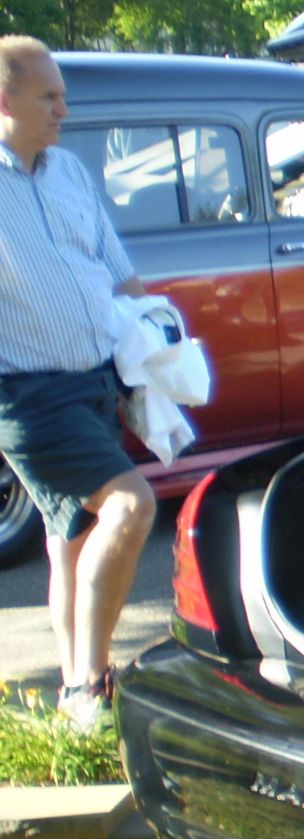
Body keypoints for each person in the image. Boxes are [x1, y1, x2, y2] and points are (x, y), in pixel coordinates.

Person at [0, 36, 155, 725]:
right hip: (27, 395)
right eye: (50, 97)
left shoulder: (67, 171)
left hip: (95, 381)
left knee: (70, 540)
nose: (64, 108)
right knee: (130, 506)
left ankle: (73, 700)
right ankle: (93, 682)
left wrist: (156, 349)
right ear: (5, 101)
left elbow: (117, 272)